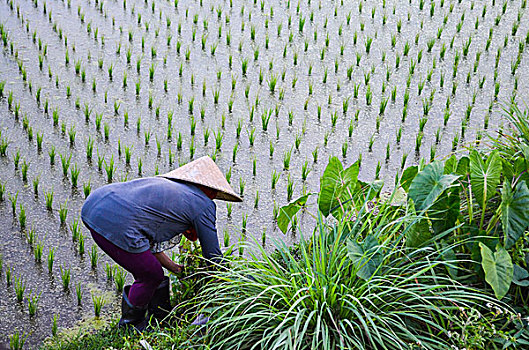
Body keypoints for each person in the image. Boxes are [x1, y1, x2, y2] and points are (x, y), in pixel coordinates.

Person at [81, 156, 242, 330]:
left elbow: (150, 244)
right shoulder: (204, 205)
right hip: (114, 221)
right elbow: (213, 258)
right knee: (151, 275)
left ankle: (159, 318)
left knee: (149, 270)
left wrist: (176, 269)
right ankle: (131, 325)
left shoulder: (172, 189)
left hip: (94, 205)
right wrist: (232, 282)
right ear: (211, 191)